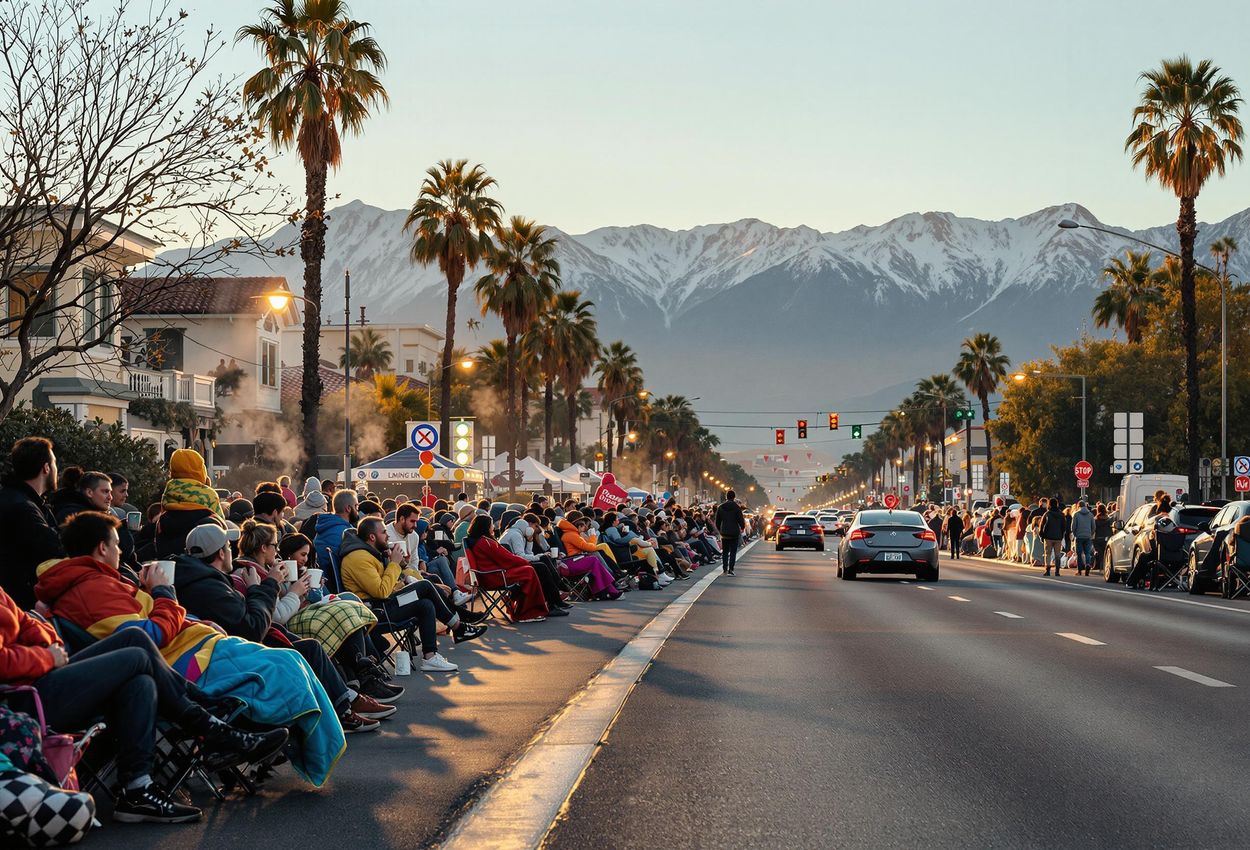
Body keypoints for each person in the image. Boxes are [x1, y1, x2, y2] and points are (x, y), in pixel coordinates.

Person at [36, 511, 346, 787]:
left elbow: (147, 621)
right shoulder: (92, 588)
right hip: (186, 660)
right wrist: (163, 593)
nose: (120, 550)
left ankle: (269, 742)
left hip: (194, 647)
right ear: (102, 548)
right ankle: (270, 743)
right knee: (287, 664)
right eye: (117, 544)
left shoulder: (101, 581)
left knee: (293, 658)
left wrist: (197, 619)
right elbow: (148, 635)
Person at [0, 584, 288, 824]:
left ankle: (137, 789)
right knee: (136, 657)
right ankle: (211, 725)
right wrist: (46, 657)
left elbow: (34, 628)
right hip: (18, 702)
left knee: (138, 662)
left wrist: (42, 649)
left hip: (41, 678)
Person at [172, 523, 392, 732]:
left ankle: (352, 692)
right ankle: (348, 701)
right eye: (228, 547)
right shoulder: (218, 583)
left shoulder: (206, 580)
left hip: (234, 645)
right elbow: (255, 627)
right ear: (221, 553)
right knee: (319, 637)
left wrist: (288, 588)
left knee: (340, 611)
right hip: (239, 651)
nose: (231, 550)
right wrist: (272, 585)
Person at [339, 517, 486, 672]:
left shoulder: (372, 553)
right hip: (376, 612)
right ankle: (458, 626)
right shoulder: (358, 558)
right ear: (372, 537)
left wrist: (401, 565)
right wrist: (394, 564)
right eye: (384, 532)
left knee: (426, 604)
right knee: (425, 586)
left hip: (386, 605)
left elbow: (393, 583)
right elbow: (381, 592)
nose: (388, 536)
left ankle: (430, 656)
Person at [0, 438, 65, 608]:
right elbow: (54, 551)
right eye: (55, 463)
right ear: (46, 468)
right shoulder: (23, 508)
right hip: (21, 608)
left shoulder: (15, 499)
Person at [462, 515, 550, 622]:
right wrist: (525, 562)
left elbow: (504, 558)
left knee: (527, 570)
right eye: (491, 525)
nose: (493, 528)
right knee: (529, 571)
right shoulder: (484, 542)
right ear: (485, 527)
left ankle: (522, 609)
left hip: (487, 576)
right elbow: (506, 558)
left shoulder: (477, 541)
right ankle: (525, 613)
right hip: (494, 576)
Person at [147, 449, 224, 559]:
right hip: (202, 556)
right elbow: (221, 528)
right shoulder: (208, 495)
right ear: (199, 468)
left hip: (170, 558)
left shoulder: (169, 491)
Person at [714, 490, 746, 575]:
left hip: (724, 532)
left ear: (726, 497)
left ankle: (724, 568)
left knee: (725, 551)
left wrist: (720, 530)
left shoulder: (721, 507)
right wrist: (742, 527)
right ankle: (731, 569)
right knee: (733, 552)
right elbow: (741, 520)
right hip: (734, 532)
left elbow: (717, 521)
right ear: (734, 497)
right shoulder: (736, 507)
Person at [1040, 498, 1066, 576]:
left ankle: (1047, 570)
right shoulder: (1061, 514)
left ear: (1049, 504)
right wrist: (1061, 535)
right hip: (1058, 537)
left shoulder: (1047, 514)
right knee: (1057, 554)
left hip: (1048, 537)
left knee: (1047, 553)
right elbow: (1064, 526)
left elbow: (1042, 525)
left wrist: (1042, 535)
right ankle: (1057, 571)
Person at [1071, 501, 1096, 576]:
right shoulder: (1090, 514)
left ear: (1078, 506)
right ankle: (1088, 564)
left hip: (1079, 536)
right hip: (1088, 536)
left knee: (1079, 554)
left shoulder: (1076, 514)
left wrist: (1075, 534)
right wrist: (1090, 534)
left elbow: (1073, 526)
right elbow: (1093, 526)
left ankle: (1079, 570)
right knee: (1087, 553)